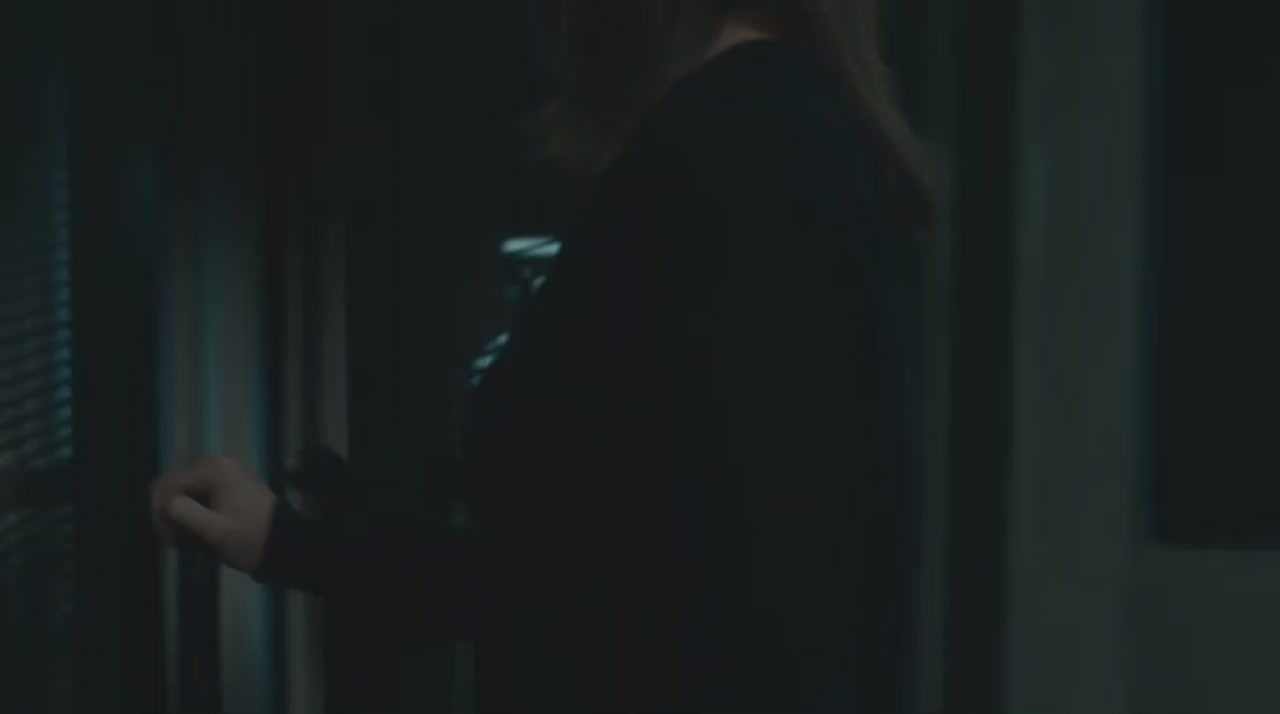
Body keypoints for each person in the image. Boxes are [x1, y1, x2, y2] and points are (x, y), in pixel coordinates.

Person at [151, 0, 934, 711]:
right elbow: (581, 579)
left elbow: (761, 633)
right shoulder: (762, 137)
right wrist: (288, 543)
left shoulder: (748, 148)